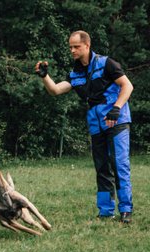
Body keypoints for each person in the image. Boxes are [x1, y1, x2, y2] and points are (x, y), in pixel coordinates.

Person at [35, 30, 133, 223]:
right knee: (102, 167)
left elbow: (127, 86)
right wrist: (44, 76)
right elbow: (55, 90)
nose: (72, 50)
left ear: (87, 46)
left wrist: (116, 108)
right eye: (70, 47)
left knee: (119, 164)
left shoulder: (106, 64)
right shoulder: (76, 73)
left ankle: (126, 210)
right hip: (96, 125)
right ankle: (105, 211)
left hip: (117, 121)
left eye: (76, 46)